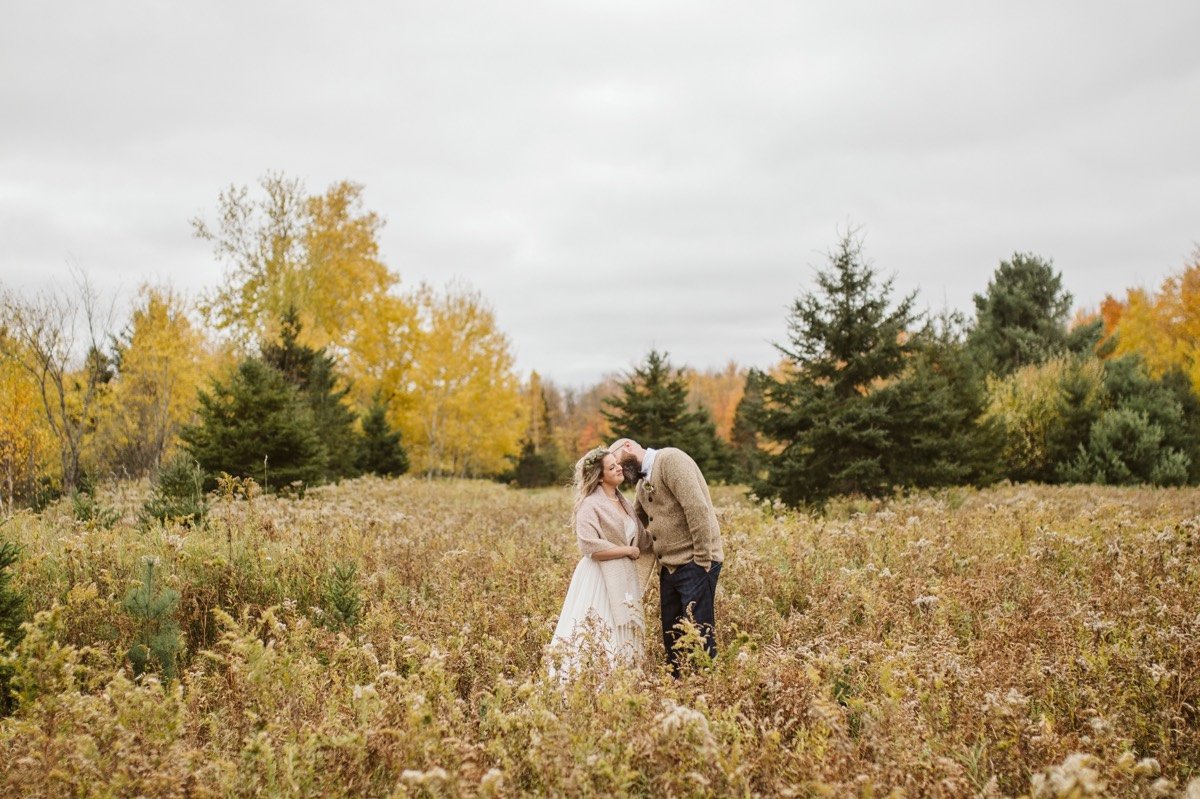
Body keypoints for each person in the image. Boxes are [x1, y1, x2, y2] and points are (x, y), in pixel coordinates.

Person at [608, 438, 724, 677]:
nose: (617, 468)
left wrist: (703, 559)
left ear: (628, 446)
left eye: (615, 460)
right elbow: (635, 524)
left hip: (696, 563)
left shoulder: (671, 460)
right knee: (672, 634)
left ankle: (708, 688)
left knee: (699, 631)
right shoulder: (642, 485)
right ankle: (678, 686)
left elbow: (697, 508)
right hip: (669, 568)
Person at [548, 447, 655, 677]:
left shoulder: (623, 501)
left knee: (624, 626)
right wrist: (626, 550)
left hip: (623, 578)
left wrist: (667, 538)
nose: (619, 468)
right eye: (612, 467)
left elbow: (642, 538)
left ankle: (623, 680)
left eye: (617, 464)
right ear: (599, 475)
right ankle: (593, 681)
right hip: (598, 577)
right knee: (601, 628)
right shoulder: (590, 504)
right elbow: (588, 546)